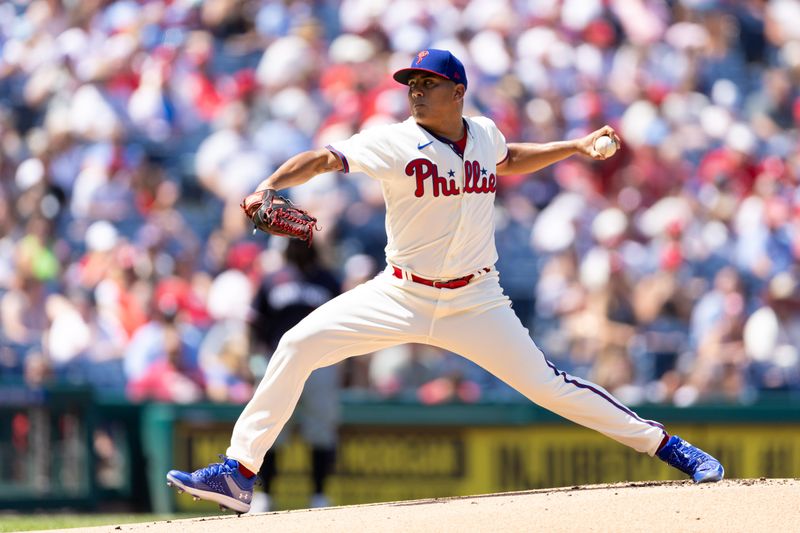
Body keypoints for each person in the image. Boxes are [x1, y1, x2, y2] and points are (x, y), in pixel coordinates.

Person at [166, 49, 724, 514]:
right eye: (411, 82)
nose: (414, 91)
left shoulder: (482, 133)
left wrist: (573, 148)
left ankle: (670, 447)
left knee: (551, 386)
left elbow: (508, 158)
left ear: (457, 91)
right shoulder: (393, 141)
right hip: (400, 292)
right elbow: (323, 158)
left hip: (477, 300)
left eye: (427, 83)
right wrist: (268, 184)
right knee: (297, 344)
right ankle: (239, 474)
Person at [248, 239, 341, 512]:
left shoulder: (328, 280)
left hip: (321, 363)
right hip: (277, 362)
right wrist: (252, 360)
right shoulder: (272, 280)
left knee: (321, 430)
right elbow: (254, 324)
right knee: (271, 430)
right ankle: (265, 494)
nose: (299, 246)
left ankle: (319, 495)